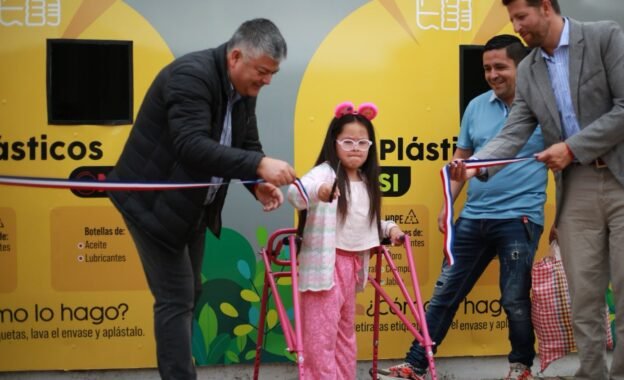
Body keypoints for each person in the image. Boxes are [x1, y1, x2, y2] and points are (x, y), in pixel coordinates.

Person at [454, 1, 624, 379]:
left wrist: (571, 147)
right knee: (583, 295)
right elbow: (513, 133)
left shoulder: (604, 36)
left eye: (521, 17)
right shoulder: (529, 69)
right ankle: (591, 373)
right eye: (512, 18)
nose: (516, 26)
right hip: (577, 184)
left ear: (545, 7)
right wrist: (473, 166)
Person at [107, 19, 295, 380]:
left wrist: (255, 182)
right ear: (236, 56)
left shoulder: (244, 89)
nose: (267, 81)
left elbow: (245, 144)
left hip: (190, 206)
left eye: (272, 74)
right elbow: (191, 146)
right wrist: (259, 165)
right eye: (262, 72)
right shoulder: (190, 76)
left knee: (190, 291)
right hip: (151, 205)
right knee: (176, 298)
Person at [379, 35, 545, 380]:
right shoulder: (476, 106)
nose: (492, 74)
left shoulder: (543, 109)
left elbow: (564, 164)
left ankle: (521, 368)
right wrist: (447, 204)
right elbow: (462, 161)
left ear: (522, 67)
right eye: (487, 68)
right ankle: (415, 365)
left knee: (514, 300)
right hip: (472, 218)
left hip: (520, 218)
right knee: (443, 294)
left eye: (500, 66)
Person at [287, 101, 404, 379]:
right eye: (348, 141)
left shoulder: (366, 180)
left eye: (363, 142)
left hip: (351, 266)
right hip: (325, 268)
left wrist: (391, 230)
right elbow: (295, 193)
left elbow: (367, 221)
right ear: (334, 142)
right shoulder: (325, 173)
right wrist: (321, 191)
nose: (355, 148)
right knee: (320, 336)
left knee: (344, 333)